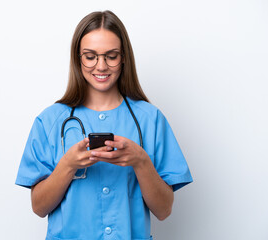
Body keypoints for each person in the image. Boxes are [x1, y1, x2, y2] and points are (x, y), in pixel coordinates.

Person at [15, 10, 193, 240]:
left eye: (111, 56)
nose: (101, 66)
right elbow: (39, 207)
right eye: (90, 56)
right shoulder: (50, 121)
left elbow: (164, 210)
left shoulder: (150, 119)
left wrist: (140, 161)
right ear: (78, 59)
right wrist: (68, 165)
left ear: (124, 57)